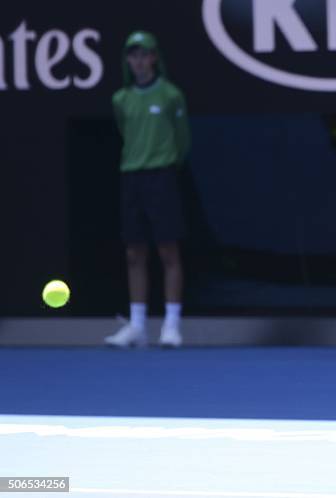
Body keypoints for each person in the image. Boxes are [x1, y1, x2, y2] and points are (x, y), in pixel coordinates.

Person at [104, 31, 191, 348]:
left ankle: (171, 325)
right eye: (133, 54)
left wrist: (164, 162)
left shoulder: (171, 96)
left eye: (145, 54)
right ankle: (138, 325)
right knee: (133, 253)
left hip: (162, 176)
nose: (139, 60)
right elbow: (125, 133)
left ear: (154, 57)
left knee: (168, 250)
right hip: (132, 177)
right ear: (128, 60)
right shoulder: (121, 100)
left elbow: (182, 142)